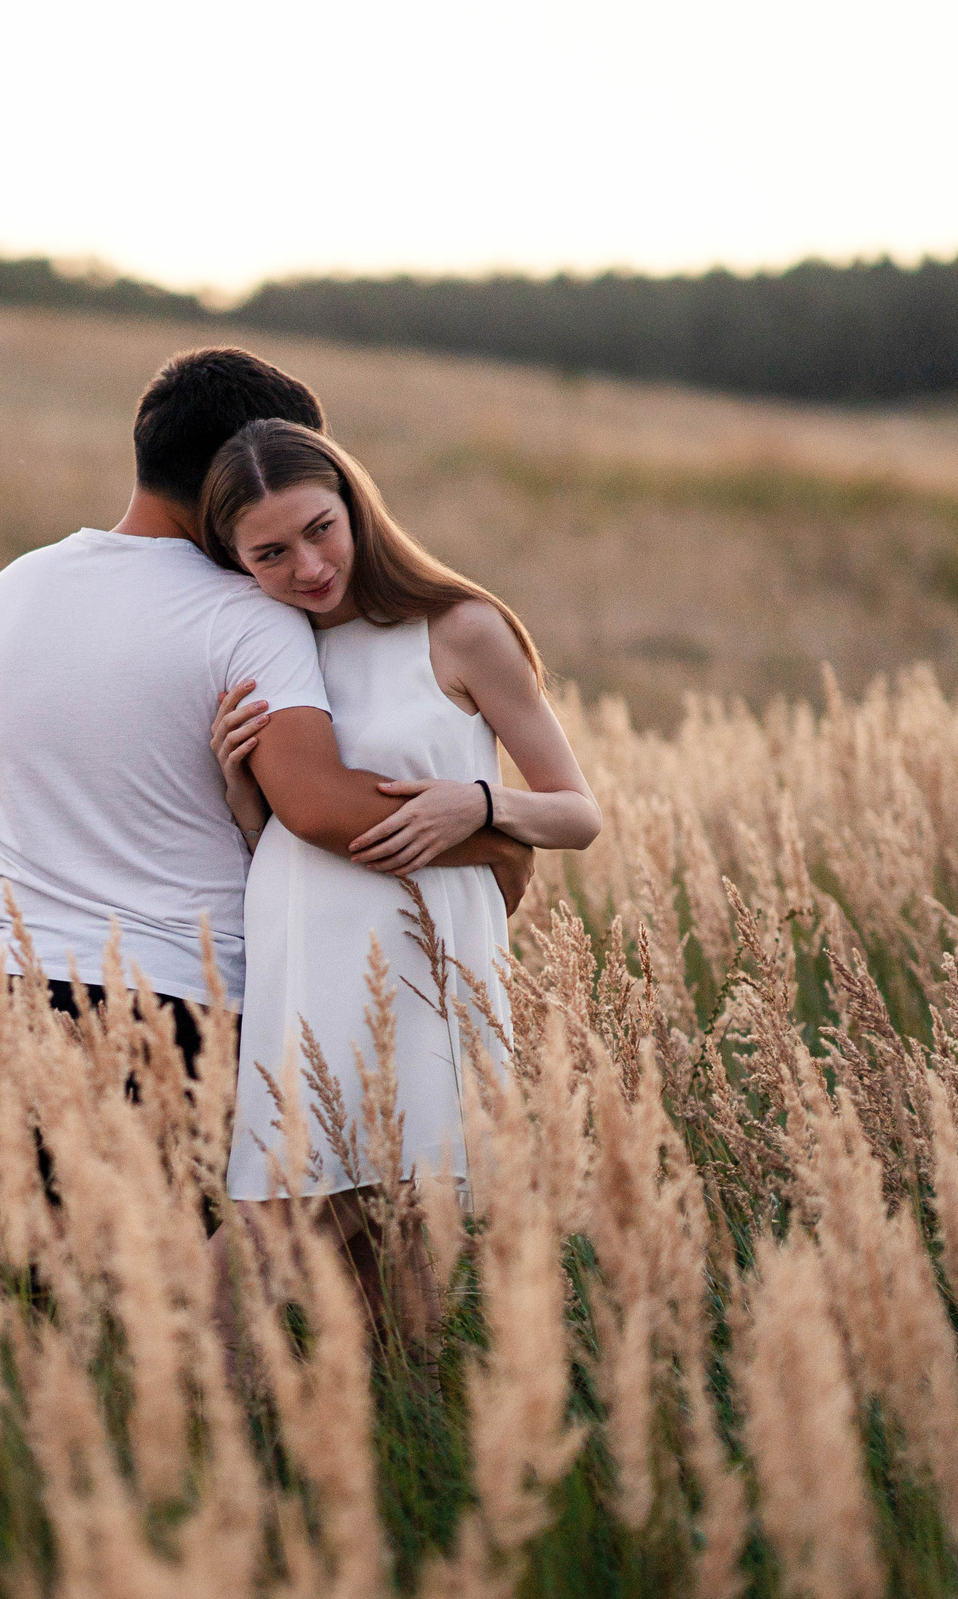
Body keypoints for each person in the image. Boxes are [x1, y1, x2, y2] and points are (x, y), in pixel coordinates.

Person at [0, 349, 534, 1075]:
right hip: (186, 1005)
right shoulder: (248, 614)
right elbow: (316, 804)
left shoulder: (6, 594)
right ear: (239, 474)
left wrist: (12, 965)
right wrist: (495, 836)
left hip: (17, 991)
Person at [199, 418, 599, 1339]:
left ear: (355, 505)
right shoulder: (268, 654)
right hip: (303, 978)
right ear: (236, 558)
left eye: (319, 529)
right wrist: (241, 793)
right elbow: (293, 846)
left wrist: (482, 803)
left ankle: (194, 1444)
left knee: (303, 1249)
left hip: (417, 977)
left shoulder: (459, 630)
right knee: (367, 1262)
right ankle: (348, 1454)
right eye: (269, 552)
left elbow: (579, 811)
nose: (305, 565)